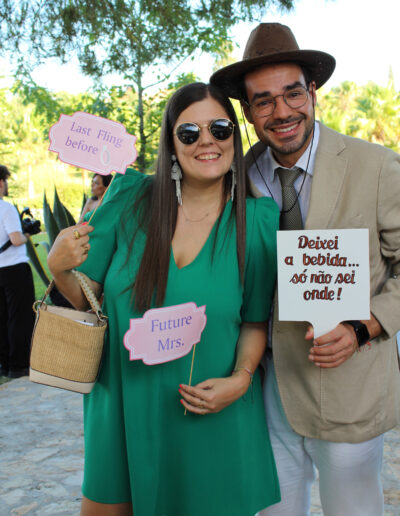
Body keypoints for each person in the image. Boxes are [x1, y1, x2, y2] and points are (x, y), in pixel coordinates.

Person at [47, 82, 281, 516]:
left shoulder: (257, 223)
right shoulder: (130, 198)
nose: (207, 141)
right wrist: (59, 268)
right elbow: (87, 300)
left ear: (234, 136)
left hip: (209, 413)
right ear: (172, 144)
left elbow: (253, 322)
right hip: (121, 409)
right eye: (189, 133)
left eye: (220, 128)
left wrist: (241, 380)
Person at [211, 23, 400, 516]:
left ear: (312, 92)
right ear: (247, 111)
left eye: (292, 93)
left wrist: (365, 326)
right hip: (264, 388)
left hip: (348, 383)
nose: (282, 112)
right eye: (264, 101)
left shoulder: (376, 167)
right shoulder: (233, 179)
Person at [0, 165, 35, 378]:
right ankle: (19, 364)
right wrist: (28, 234)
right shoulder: (6, 208)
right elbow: (15, 239)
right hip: (14, 267)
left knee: (2, 317)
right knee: (19, 317)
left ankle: (4, 363)